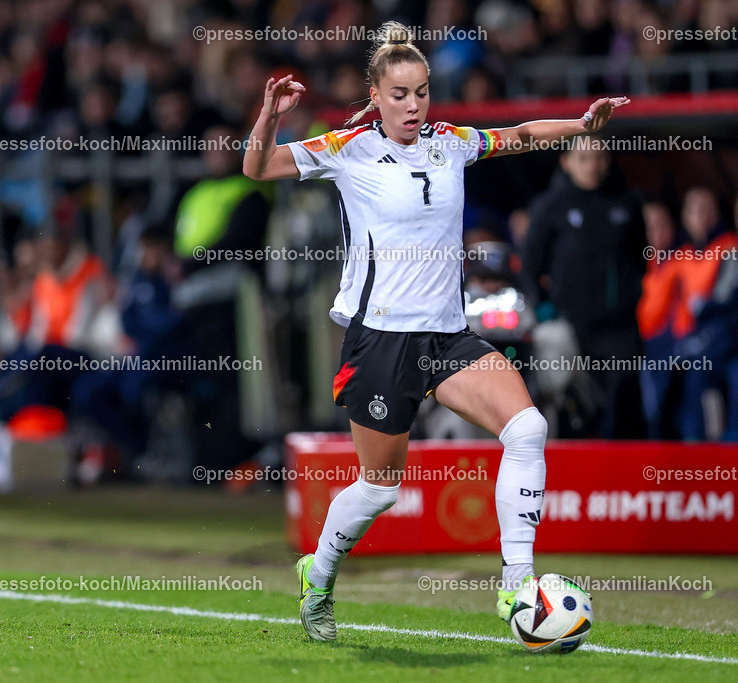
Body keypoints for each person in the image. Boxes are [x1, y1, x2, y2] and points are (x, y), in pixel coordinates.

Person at [242, 21, 628, 642]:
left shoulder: (451, 141)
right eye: (399, 95)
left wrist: (580, 126)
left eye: (422, 92)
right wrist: (269, 114)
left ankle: (517, 586)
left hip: (448, 339)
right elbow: (258, 168)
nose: (414, 105)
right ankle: (320, 572)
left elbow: (522, 135)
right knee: (378, 488)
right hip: (382, 341)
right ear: (375, 93)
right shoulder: (348, 148)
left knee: (528, 427)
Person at [522, 138, 647, 439]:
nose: (592, 165)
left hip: (618, 326)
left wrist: (630, 298)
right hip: (569, 325)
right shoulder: (549, 207)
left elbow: (639, 259)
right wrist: (542, 308)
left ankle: (622, 473)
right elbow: (529, 265)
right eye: (584, 158)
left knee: (622, 395)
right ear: (566, 161)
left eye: (599, 157)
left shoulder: (627, 204)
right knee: (571, 400)